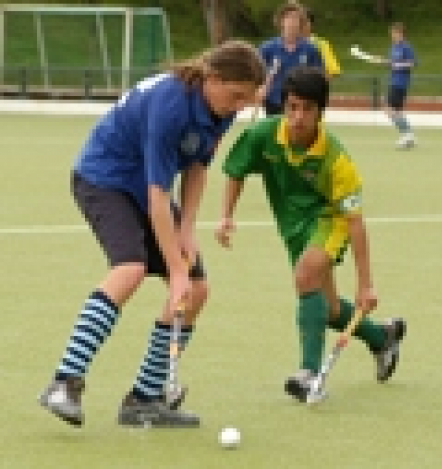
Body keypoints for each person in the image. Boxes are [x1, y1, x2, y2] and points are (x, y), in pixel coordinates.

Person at [38, 41, 266, 427]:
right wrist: (175, 268)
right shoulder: (171, 105)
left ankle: (144, 399)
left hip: (144, 188)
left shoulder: (220, 108)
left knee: (197, 290)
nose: (240, 105)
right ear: (213, 78)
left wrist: (188, 231)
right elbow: (157, 196)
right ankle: (63, 383)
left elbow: (196, 167)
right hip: (103, 179)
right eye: (236, 95)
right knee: (130, 268)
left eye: (247, 98)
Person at [216, 66, 406, 403]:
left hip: (329, 220)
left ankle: (308, 374)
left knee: (305, 276)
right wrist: (226, 216)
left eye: (307, 109)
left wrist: (366, 284)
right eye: (292, 107)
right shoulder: (265, 135)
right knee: (329, 309)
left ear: (321, 112)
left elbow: (355, 222)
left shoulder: (336, 160)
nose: (298, 117)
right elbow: (236, 170)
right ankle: (382, 337)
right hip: (293, 228)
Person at [258, 1, 323, 116]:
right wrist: (260, 88)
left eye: (296, 19)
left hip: (301, 104)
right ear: (281, 21)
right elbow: (256, 74)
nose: (292, 22)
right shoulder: (267, 48)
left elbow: (318, 77)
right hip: (274, 102)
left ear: (300, 23)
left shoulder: (310, 49)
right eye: (288, 18)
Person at [371, 22, 417, 149]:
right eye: (392, 33)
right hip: (394, 81)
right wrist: (381, 61)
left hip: (400, 83)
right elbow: (392, 63)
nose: (392, 36)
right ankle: (408, 135)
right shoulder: (393, 48)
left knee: (388, 108)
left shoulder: (406, 47)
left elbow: (412, 63)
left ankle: (407, 135)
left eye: (395, 33)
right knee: (396, 110)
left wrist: (399, 65)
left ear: (401, 34)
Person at [303, 7, 342, 79]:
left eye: (305, 22)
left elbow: (333, 71)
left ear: (311, 24)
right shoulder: (284, 44)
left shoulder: (321, 44)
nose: (302, 25)